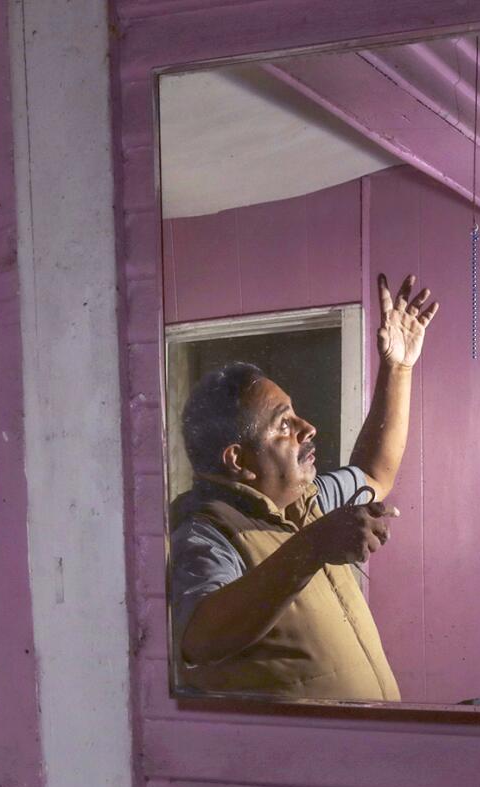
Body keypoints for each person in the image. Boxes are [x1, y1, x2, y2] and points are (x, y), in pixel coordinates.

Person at [168, 273, 438, 701]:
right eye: (284, 425)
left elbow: (375, 472)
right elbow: (200, 638)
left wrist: (399, 368)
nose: (308, 429)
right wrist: (311, 548)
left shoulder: (310, 503)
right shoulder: (204, 534)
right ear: (238, 460)